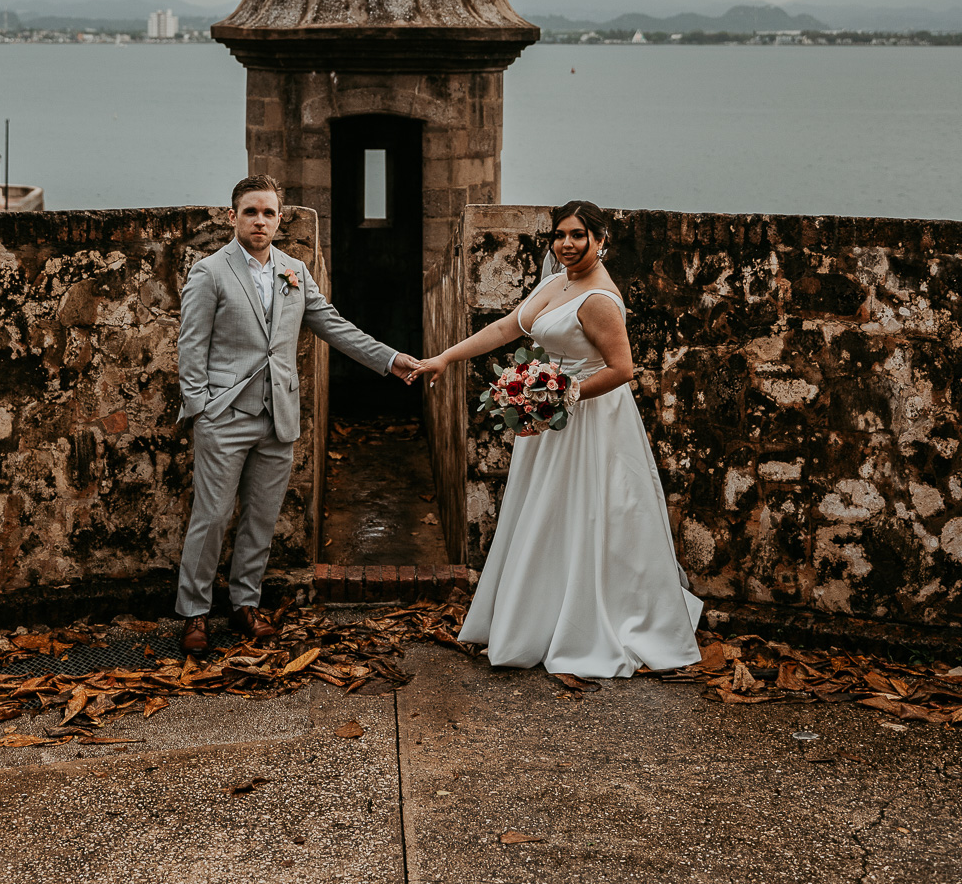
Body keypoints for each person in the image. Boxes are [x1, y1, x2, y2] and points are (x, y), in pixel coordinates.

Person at [411, 199, 701, 677]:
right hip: (550, 421)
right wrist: (446, 357)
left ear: (601, 240)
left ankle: (585, 622)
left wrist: (560, 397)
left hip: (589, 421)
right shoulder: (555, 282)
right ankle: (535, 617)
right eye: (560, 235)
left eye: (578, 236)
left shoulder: (599, 301)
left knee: (587, 515)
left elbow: (622, 369)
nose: (567, 244)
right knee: (543, 514)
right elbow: (508, 328)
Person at [175, 174, 418, 656]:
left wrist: (391, 361)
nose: (260, 221)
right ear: (232, 217)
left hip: (279, 415)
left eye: (268, 212)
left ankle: (245, 605)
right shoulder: (210, 272)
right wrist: (202, 409)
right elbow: (190, 348)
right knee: (212, 515)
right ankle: (194, 614)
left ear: (280, 219)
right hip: (224, 416)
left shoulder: (295, 271)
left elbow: (334, 326)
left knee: (261, 518)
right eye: (250, 212)